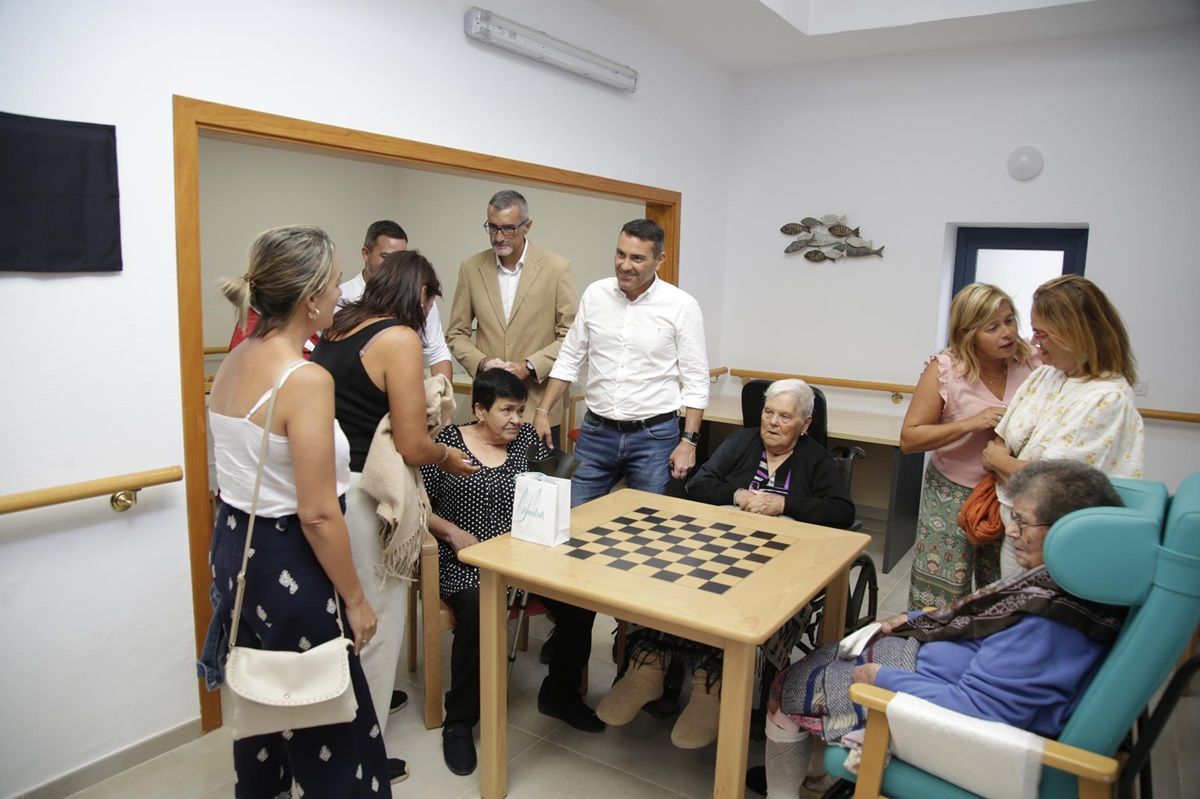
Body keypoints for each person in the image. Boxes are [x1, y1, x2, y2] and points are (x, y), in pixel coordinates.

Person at [755, 460, 1126, 797]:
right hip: (938, 668)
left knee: (787, 686)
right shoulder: (1072, 584)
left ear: (1067, 533)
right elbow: (989, 624)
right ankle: (817, 776)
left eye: (1023, 522)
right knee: (832, 653)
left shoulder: (1050, 626)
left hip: (940, 712)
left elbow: (976, 710)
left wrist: (880, 678)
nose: (1011, 531)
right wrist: (917, 620)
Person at [204, 225, 391, 797]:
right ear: (311, 299)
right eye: (336, 284)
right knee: (319, 704)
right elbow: (315, 514)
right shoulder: (304, 378)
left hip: (236, 547)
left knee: (267, 694)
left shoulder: (237, 357)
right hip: (290, 554)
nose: (342, 294)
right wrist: (356, 600)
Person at [597, 379, 855, 749]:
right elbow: (700, 483)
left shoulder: (816, 459)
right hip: (721, 547)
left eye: (785, 416)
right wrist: (736, 494)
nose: (773, 422)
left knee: (742, 605)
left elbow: (842, 512)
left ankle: (710, 687)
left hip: (781, 561)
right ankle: (648, 667)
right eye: (768, 412)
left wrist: (784, 505)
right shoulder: (742, 442)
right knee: (673, 580)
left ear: (805, 424)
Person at [309, 249, 477, 782]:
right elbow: (410, 443)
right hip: (369, 495)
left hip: (326, 487)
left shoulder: (338, 329)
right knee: (374, 628)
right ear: (420, 296)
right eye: (430, 301)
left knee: (338, 627)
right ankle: (363, 757)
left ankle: (327, 748)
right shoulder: (398, 339)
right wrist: (449, 455)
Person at [420, 368, 605, 777]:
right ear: (480, 409)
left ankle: (559, 694)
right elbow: (418, 505)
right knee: (478, 611)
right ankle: (460, 720)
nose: (516, 419)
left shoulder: (524, 442)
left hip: (523, 556)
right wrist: (450, 532)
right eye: (507, 410)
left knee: (582, 600)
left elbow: (545, 489)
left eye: (521, 410)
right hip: (466, 558)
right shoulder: (446, 446)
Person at [534, 218, 710, 506]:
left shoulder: (681, 306)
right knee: (574, 517)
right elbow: (569, 357)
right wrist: (543, 410)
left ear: (659, 260)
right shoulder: (595, 294)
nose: (625, 265)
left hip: (653, 437)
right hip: (596, 433)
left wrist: (688, 442)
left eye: (637, 258)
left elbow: (696, 380)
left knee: (647, 527)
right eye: (620, 254)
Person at [983, 275, 1144, 576]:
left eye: (1041, 333)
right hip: (1021, 532)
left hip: (1061, 546)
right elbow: (1002, 436)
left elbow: (1051, 486)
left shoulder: (1106, 398)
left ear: (1076, 334)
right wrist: (1007, 459)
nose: (1033, 342)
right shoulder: (1047, 376)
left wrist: (999, 461)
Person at [901, 283, 1037, 609]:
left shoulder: (1031, 363)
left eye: (1009, 320)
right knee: (943, 592)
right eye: (992, 327)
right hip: (951, 495)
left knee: (1003, 590)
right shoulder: (946, 369)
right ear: (968, 333)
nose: (1007, 333)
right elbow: (909, 438)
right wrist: (970, 423)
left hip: (1010, 491)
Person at [445, 190, 578, 447]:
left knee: (538, 485)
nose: (498, 236)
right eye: (492, 227)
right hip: (488, 409)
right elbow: (456, 333)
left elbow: (571, 336)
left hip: (537, 408)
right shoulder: (471, 268)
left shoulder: (556, 268)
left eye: (508, 228)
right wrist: (482, 363)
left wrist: (528, 366)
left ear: (527, 226)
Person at [339, 220, 453, 382]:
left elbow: (437, 352)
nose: (394, 266)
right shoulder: (341, 298)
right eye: (387, 257)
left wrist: (442, 399)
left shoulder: (421, 299)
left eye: (401, 259)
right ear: (366, 253)